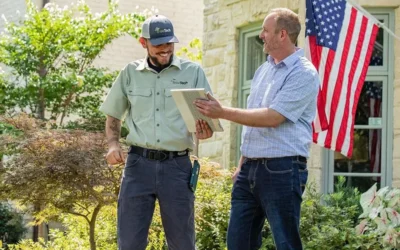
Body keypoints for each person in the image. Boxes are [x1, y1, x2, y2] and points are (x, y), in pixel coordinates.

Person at [194, 8, 319, 250]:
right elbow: (254, 124)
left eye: (265, 30)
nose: (261, 35)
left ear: (282, 34)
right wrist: (243, 162)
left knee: (286, 243)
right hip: (249, 169)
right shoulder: (264, 70)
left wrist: (222, 112)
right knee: (238, 243)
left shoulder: (303, 73)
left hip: (282, 169)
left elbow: (273, 117)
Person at [100, 15, 213, 250]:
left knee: (182, 243)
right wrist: (112, 144)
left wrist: (205, 131)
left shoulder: (193, 73)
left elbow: (207, 123)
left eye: (169, 44)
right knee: (129, 243)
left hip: (178, 167)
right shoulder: (130, 73)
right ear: (144, 43)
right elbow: (113, 115)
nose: (165, 50)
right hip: (138, 166)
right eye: (159, 44)